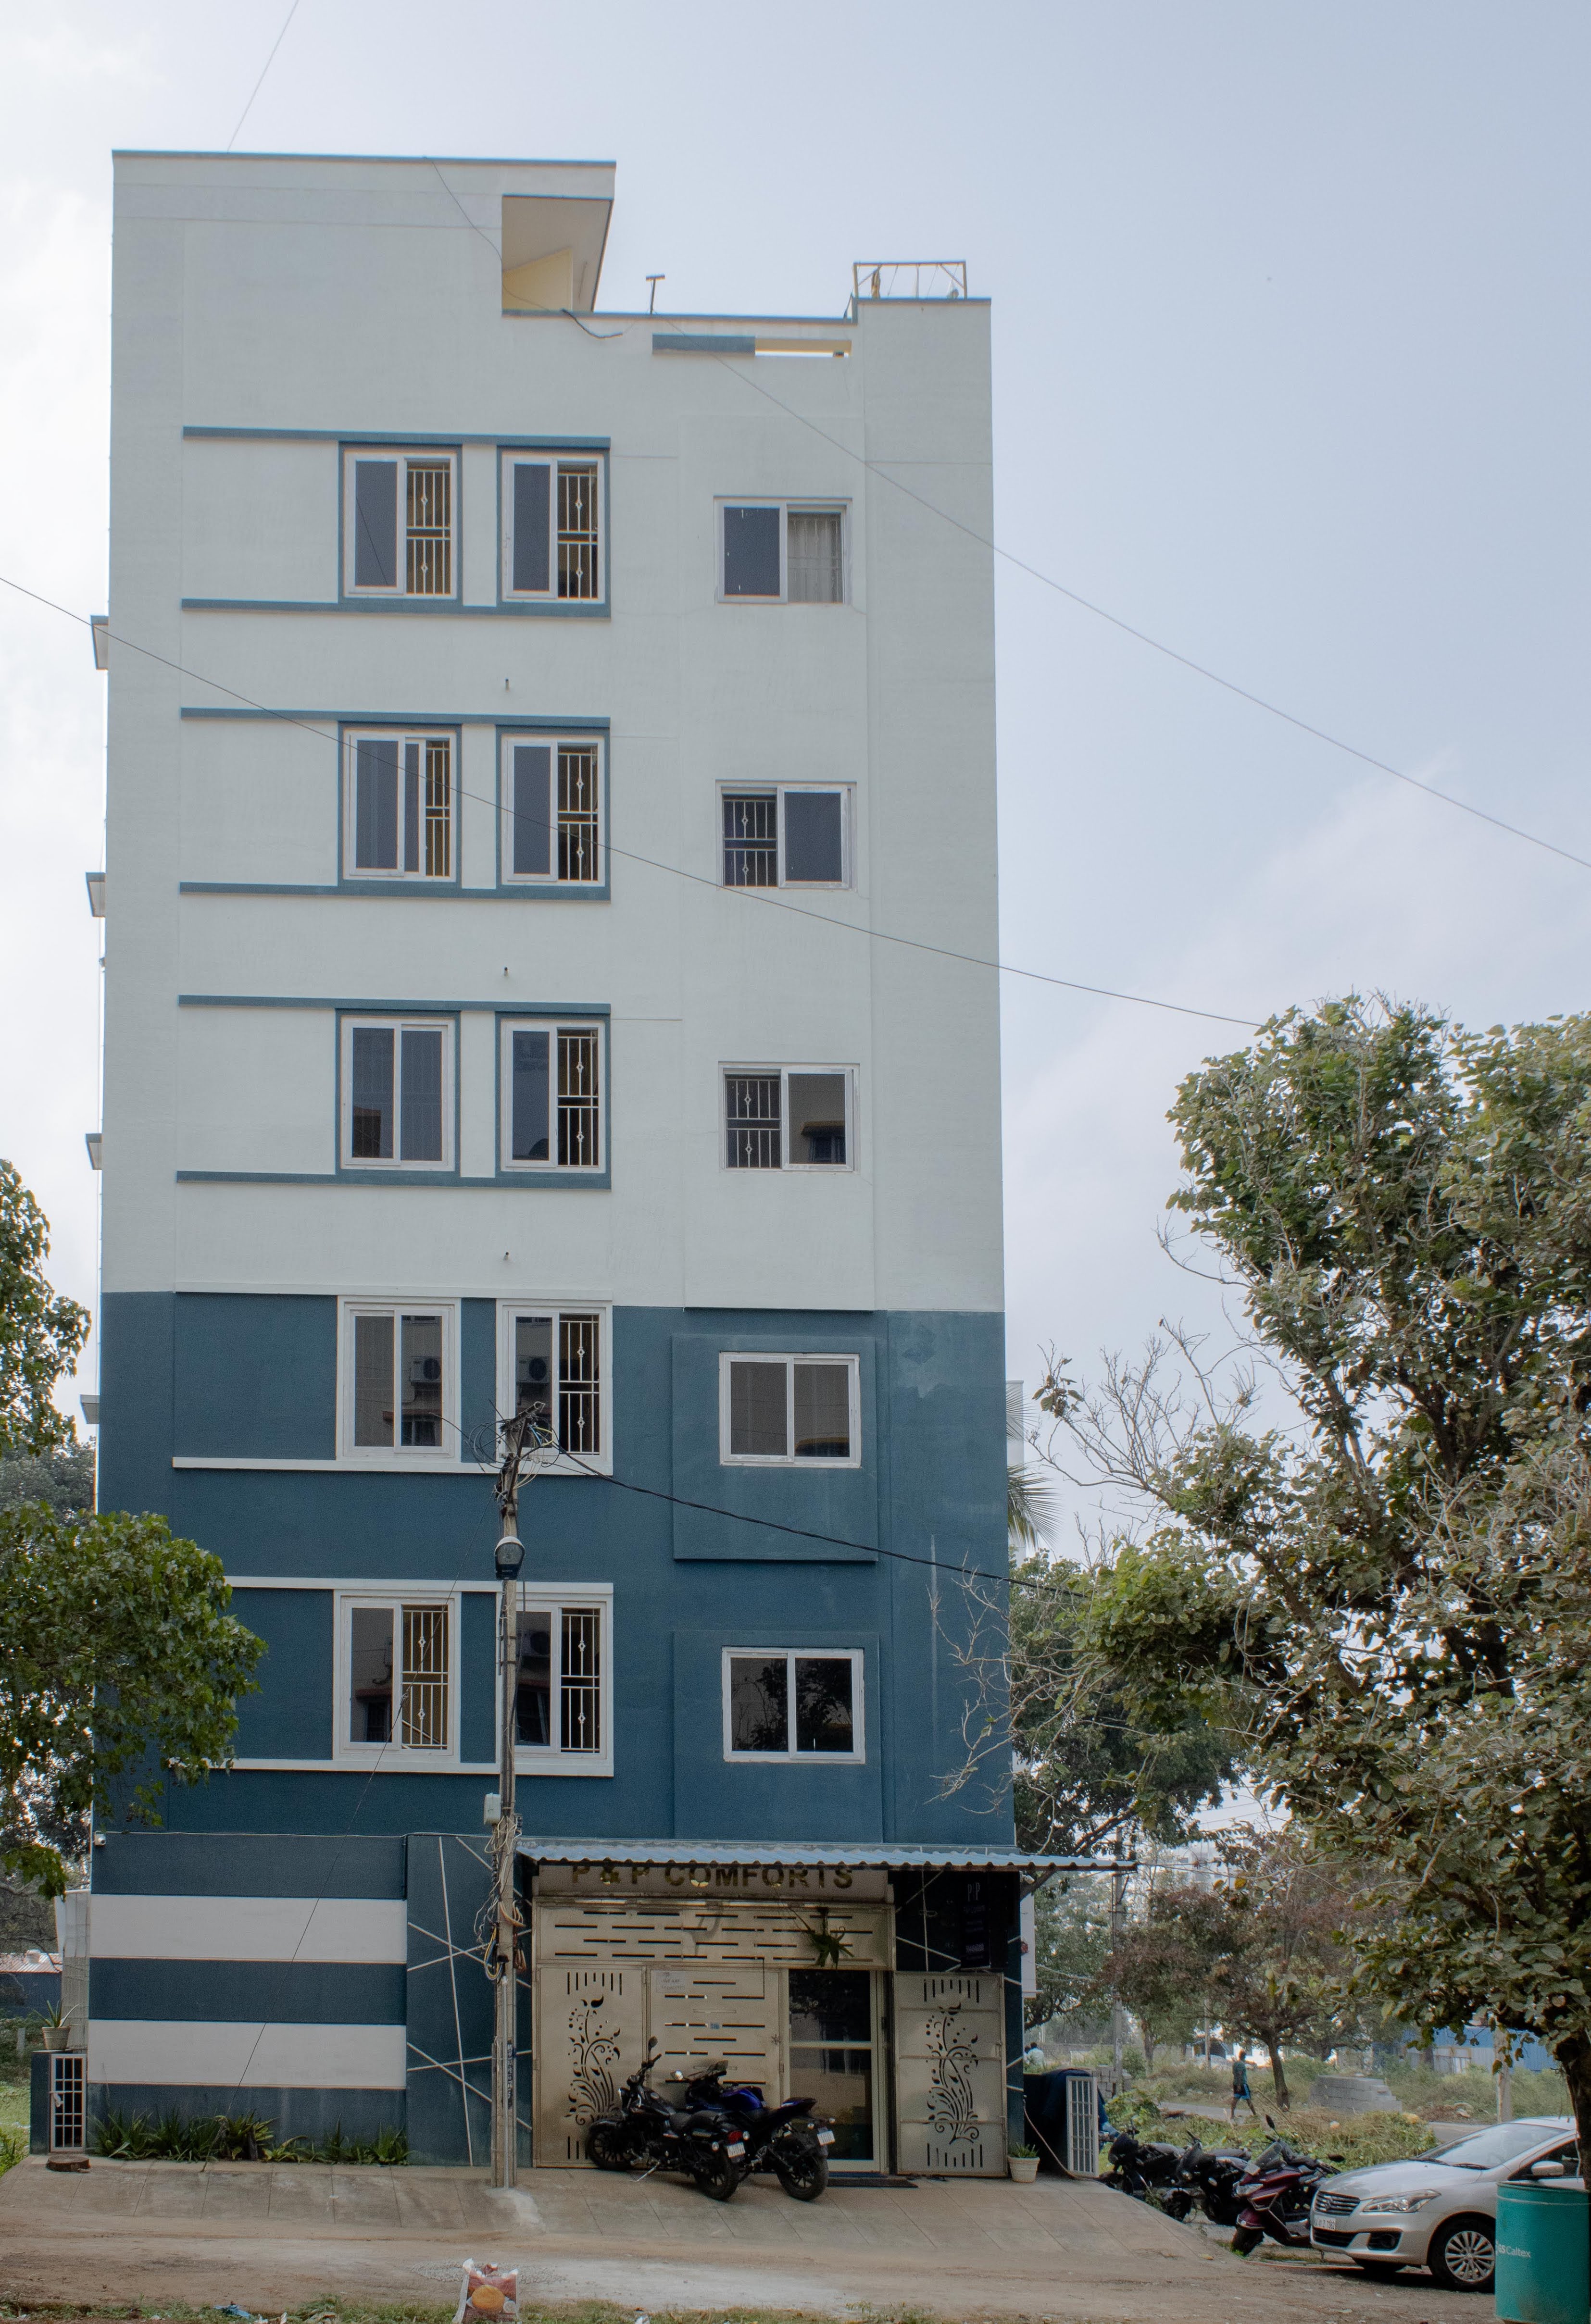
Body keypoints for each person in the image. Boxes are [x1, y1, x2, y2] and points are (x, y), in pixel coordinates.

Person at [1228, 2047, 1259, 2121]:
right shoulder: (1241, 2065)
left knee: (1235, 2099)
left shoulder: (1235, 2064)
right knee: (1248, 2099)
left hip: (1235, 2083)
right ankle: (1255, 2114)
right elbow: (1240, 2074)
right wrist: (1239, 2085)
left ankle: (1232, 2115)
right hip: (1242, 2084)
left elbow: (1234, 2073)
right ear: (1244, 2056)